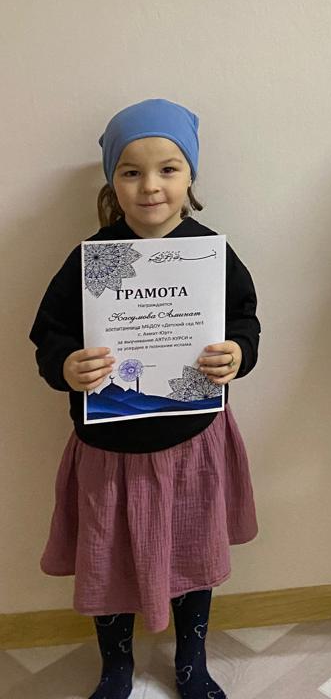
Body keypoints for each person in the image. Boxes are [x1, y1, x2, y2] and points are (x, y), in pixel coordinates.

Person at [30, 99, 260, 699]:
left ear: (190, 178)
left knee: (193, 553)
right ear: (113, 181)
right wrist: (66, 365)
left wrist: (238, 353)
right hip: (109, 449)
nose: (151, 186)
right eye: (131, 171)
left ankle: (191, 659)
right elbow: (48, 333)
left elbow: (245, 318)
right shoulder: (91, 259)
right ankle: (116, 666)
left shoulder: (211, 254)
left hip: (191, 443)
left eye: (168, 169)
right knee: (107, 560)